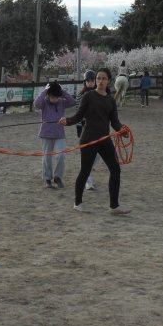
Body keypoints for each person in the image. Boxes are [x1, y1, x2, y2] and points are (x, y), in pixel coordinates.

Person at [60, 67, 131, 215]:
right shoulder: (89, 96)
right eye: (98, 78)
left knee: (115, 169)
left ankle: (114, 207)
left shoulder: (110, 100)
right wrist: (67, 121)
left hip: (104, 140)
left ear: (109, 81)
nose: (100, 81)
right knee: (85, 171)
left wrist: (122, 130)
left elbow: (115, 122)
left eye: (104, 78)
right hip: (88, 140)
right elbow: (78, 116)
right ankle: (77, 203)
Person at [34, 81, 76, 189]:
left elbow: (72, 102)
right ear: (48, 95)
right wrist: (45, 91)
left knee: (61, 156)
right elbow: (36, 104)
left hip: (59, 134)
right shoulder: (43, 102)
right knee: (47, 158)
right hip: (46, 134)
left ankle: (58, 177)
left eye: (57, 97)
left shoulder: (62, 102)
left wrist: (61, 91)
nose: (55, 99)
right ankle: (47, 179)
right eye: (53, 97)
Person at [77, 69, 98, 190]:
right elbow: (78, 113)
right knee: (86, 156)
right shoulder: (81, 95)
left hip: (99, 129)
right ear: (85, 82)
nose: (90, 82)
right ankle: (88, 181)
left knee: (98, 155)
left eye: (92, 80)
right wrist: (79, 127)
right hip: (86, 129)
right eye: (88, 80)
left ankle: (86, 172)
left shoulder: (100, 93)